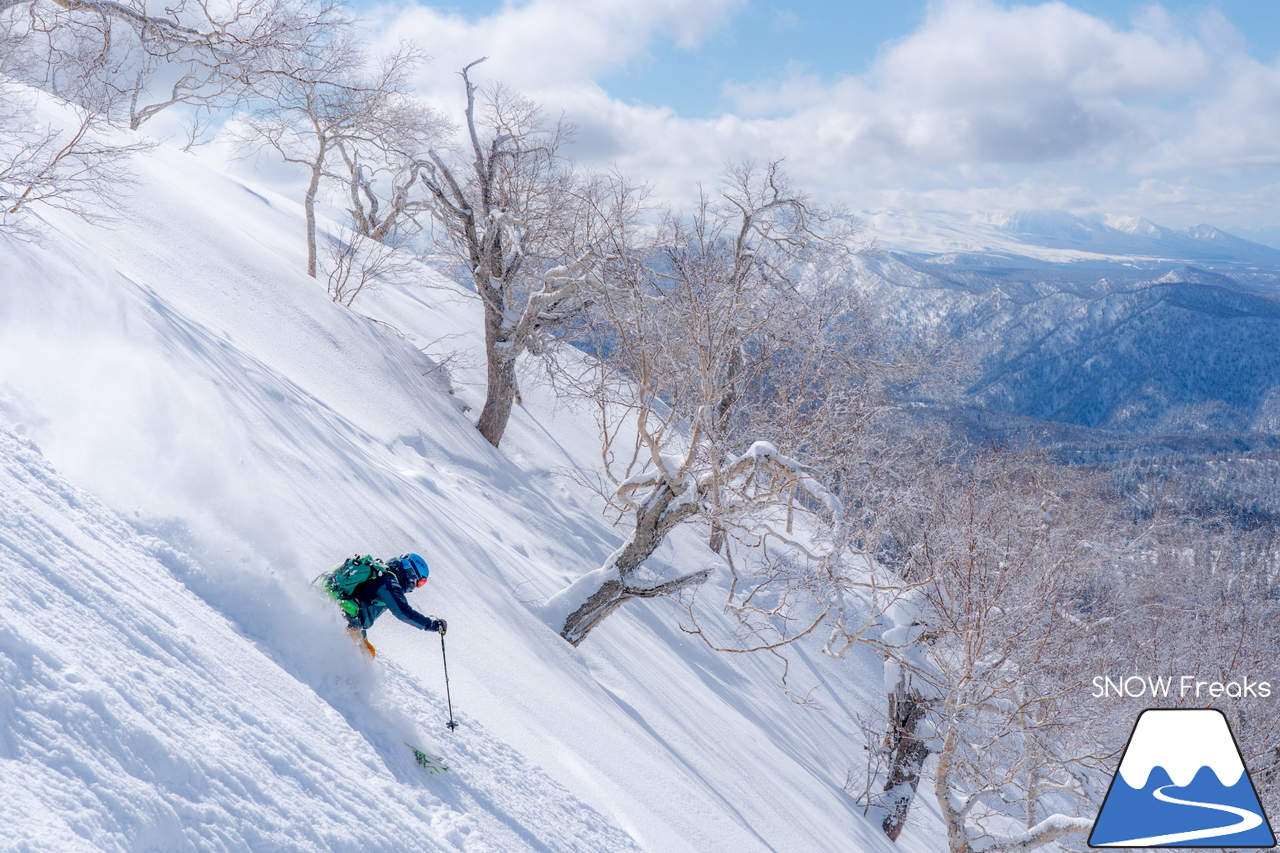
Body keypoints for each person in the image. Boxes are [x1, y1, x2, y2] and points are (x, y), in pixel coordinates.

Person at [334, 553, 446, 658]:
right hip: (345, 619)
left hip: (343, 616)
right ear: (411, 573)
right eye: (420, 582)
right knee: (357, 658)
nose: (416, 586)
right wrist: (432, 625)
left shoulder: (382, 576)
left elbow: (360, 605)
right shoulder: (389, 583)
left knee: (367, 653)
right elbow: (403, 612)